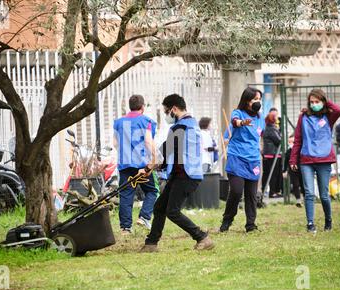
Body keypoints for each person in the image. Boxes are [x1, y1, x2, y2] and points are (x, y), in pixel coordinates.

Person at [139, 94, 214, 252]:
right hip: (182, 174)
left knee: (172, 211)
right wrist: (157, 166)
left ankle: (202, 237)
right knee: (159, 207)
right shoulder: (191, 124)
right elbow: (175, 153)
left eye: (166, 112)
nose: (167, 116)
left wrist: (147, 168)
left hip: (186, 176)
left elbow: (166, 150)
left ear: (174, 109)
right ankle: (151, 244)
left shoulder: (180, 127)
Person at [289, 89, 340, 233]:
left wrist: (325, 101)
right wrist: (293, 159)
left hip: (324, 160)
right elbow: (298, 139)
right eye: (311, 102)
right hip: (306, 159)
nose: (314, 104)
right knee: (309, 193)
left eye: (317, 102)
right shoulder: (303, 117)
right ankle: (310, 223)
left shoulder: (328, 116)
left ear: (323, 102)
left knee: (324, 195)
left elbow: (338, 109)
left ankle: (328, 220)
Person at [219, 87, 265, 233]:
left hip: (253, 159)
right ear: (247, 101)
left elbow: (258, 137)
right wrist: (241, 123)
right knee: (236, 191)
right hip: (237, 157)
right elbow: (235, 122)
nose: (257, 102)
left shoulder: (260, 118)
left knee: (252, 194)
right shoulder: (237, 113)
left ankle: (250, 224)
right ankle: (227, 219)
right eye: (254, 99)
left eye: (259, 99)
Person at [113, 95, 159, 234]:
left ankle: (126, 228)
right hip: (142, 166)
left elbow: (115, 144)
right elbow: (148, 141)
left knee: (126, 195)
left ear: (130, 106)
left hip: (125, 165)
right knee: (152, 191)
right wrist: (154, 158)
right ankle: (144, 216)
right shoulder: (147, 121)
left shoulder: (118, 122)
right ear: (143, 107)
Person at [262, 107, 282, 198]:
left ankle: (265, 190)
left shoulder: (268, 128)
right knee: (273, 174)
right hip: (272, 155)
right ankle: (272, 192)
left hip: (269, 154)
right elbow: (279, 141)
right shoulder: (272, 129)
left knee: (267, 173)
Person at [282, 134, 304, 207]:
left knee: (303, 185)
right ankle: (298, 200)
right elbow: (285, 162)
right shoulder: (288, 151)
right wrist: (284, 171)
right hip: (293, 170)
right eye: (289, 142)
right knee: (295, 185)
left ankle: (305, 198)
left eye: (292, 142)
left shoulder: (301, 150)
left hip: (302, 169)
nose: (291, 144)